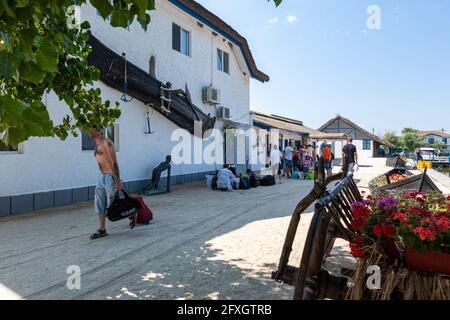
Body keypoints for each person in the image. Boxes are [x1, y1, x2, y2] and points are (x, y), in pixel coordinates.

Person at [89, 125, 131, 240]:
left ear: (98, 130)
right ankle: (102, 229)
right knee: (99, 203)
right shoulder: (97, 145)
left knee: (114, 202)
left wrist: (117, 179)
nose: (89, 132)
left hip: (110, 177)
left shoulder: (107, 143)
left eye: (91, 129)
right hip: (101, 177)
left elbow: (114, 163)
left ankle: (131, 212)